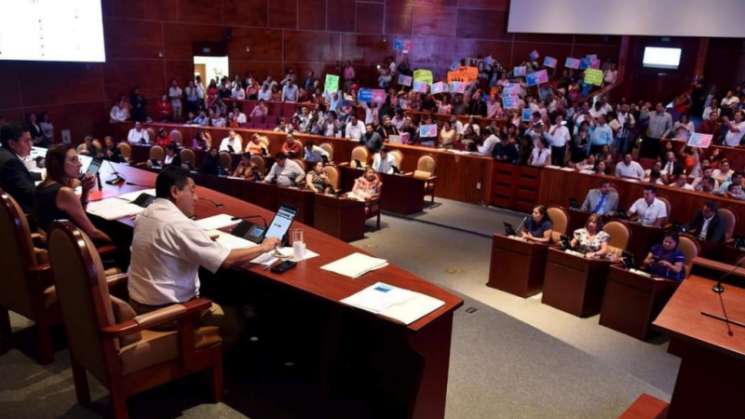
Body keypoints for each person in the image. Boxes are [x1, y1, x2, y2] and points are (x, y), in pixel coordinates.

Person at [127, 167, 280, 344]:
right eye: (192, 191)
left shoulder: (145, 214)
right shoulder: (179, 225)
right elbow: (227, 260)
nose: (196, 198)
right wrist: (263, 247)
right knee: (237, 319)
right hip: (169, 314)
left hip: (137, 304)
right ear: (175, 191)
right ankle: (208, 365)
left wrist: (200, 239)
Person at [34, 145, 111, 242]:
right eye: (73, 160)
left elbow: (77, 217)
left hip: (55, 245)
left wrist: (85, 191)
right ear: (58, 164)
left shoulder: (41, 187)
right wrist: (116, 243)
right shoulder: (64, 192)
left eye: (78, 159)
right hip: (73, 249)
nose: (80, 164)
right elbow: (93, 233)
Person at [0, 124, 37, 213]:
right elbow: (31, 194)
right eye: (26, 141)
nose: (30, 145)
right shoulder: (10, 163)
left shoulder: (3, 155)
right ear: (12, 143)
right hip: (26, 214)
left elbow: (19, 174)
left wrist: (42, 175)